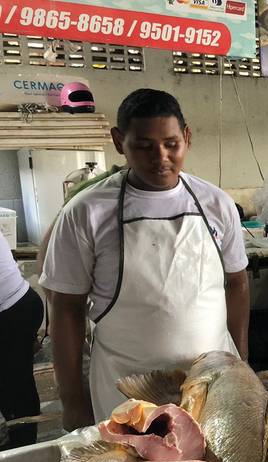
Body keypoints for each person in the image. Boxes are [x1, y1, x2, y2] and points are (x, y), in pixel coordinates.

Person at [40, 89, 249, 428]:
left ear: (187, 137)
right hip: (126, 391)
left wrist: (242, 364)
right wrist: (73, 401)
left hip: (212, 383)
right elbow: (65, 308)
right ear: (119, 141)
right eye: (144, 146)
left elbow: (237, 284)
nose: (160, 157)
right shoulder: (86, 212)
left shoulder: (216, 203)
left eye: (171, 144)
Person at [0, 233, 44, 449]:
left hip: (13, 312)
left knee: (16, 389)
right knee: (14, 387)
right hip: (19, 306)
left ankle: (22, 449)